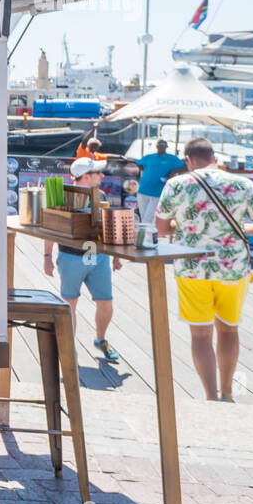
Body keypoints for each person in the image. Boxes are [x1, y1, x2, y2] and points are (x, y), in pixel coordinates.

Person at [155, 137, 253, 402]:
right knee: (229, 329)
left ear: (188, 159)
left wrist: (186, 227)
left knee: (200, 334)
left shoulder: (177, 184)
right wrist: (241, 228)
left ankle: (210, 397)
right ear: (215, 158)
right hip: (233, 268)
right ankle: (228, 393)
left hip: (191, 267)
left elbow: (162, 229)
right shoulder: (242, 184)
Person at [44, 156, 124, 362]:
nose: (102, 175)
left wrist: (115, 256)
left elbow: (107, 228)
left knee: (106, 302)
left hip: (98, 257)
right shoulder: (62, 195)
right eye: (98, 173)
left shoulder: (102, 194)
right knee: (70, 303)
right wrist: (47, 256)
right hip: (71, 255)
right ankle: (69, 346)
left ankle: (101, 339)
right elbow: (51, 227)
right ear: (85, 176)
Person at [133, 139, 185, 224]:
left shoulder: (171, 158)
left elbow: (185, 166)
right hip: (142, 190)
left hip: (157, 192)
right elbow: (138, 163)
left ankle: (147, 237)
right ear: (157, 146)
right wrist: (144, 169)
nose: (161, 146)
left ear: (166, 147)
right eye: (160, 144)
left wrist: (173, 172)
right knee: (144, 217)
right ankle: (148, 236)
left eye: (163, 145)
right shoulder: (149, 157)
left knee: (148, 218)